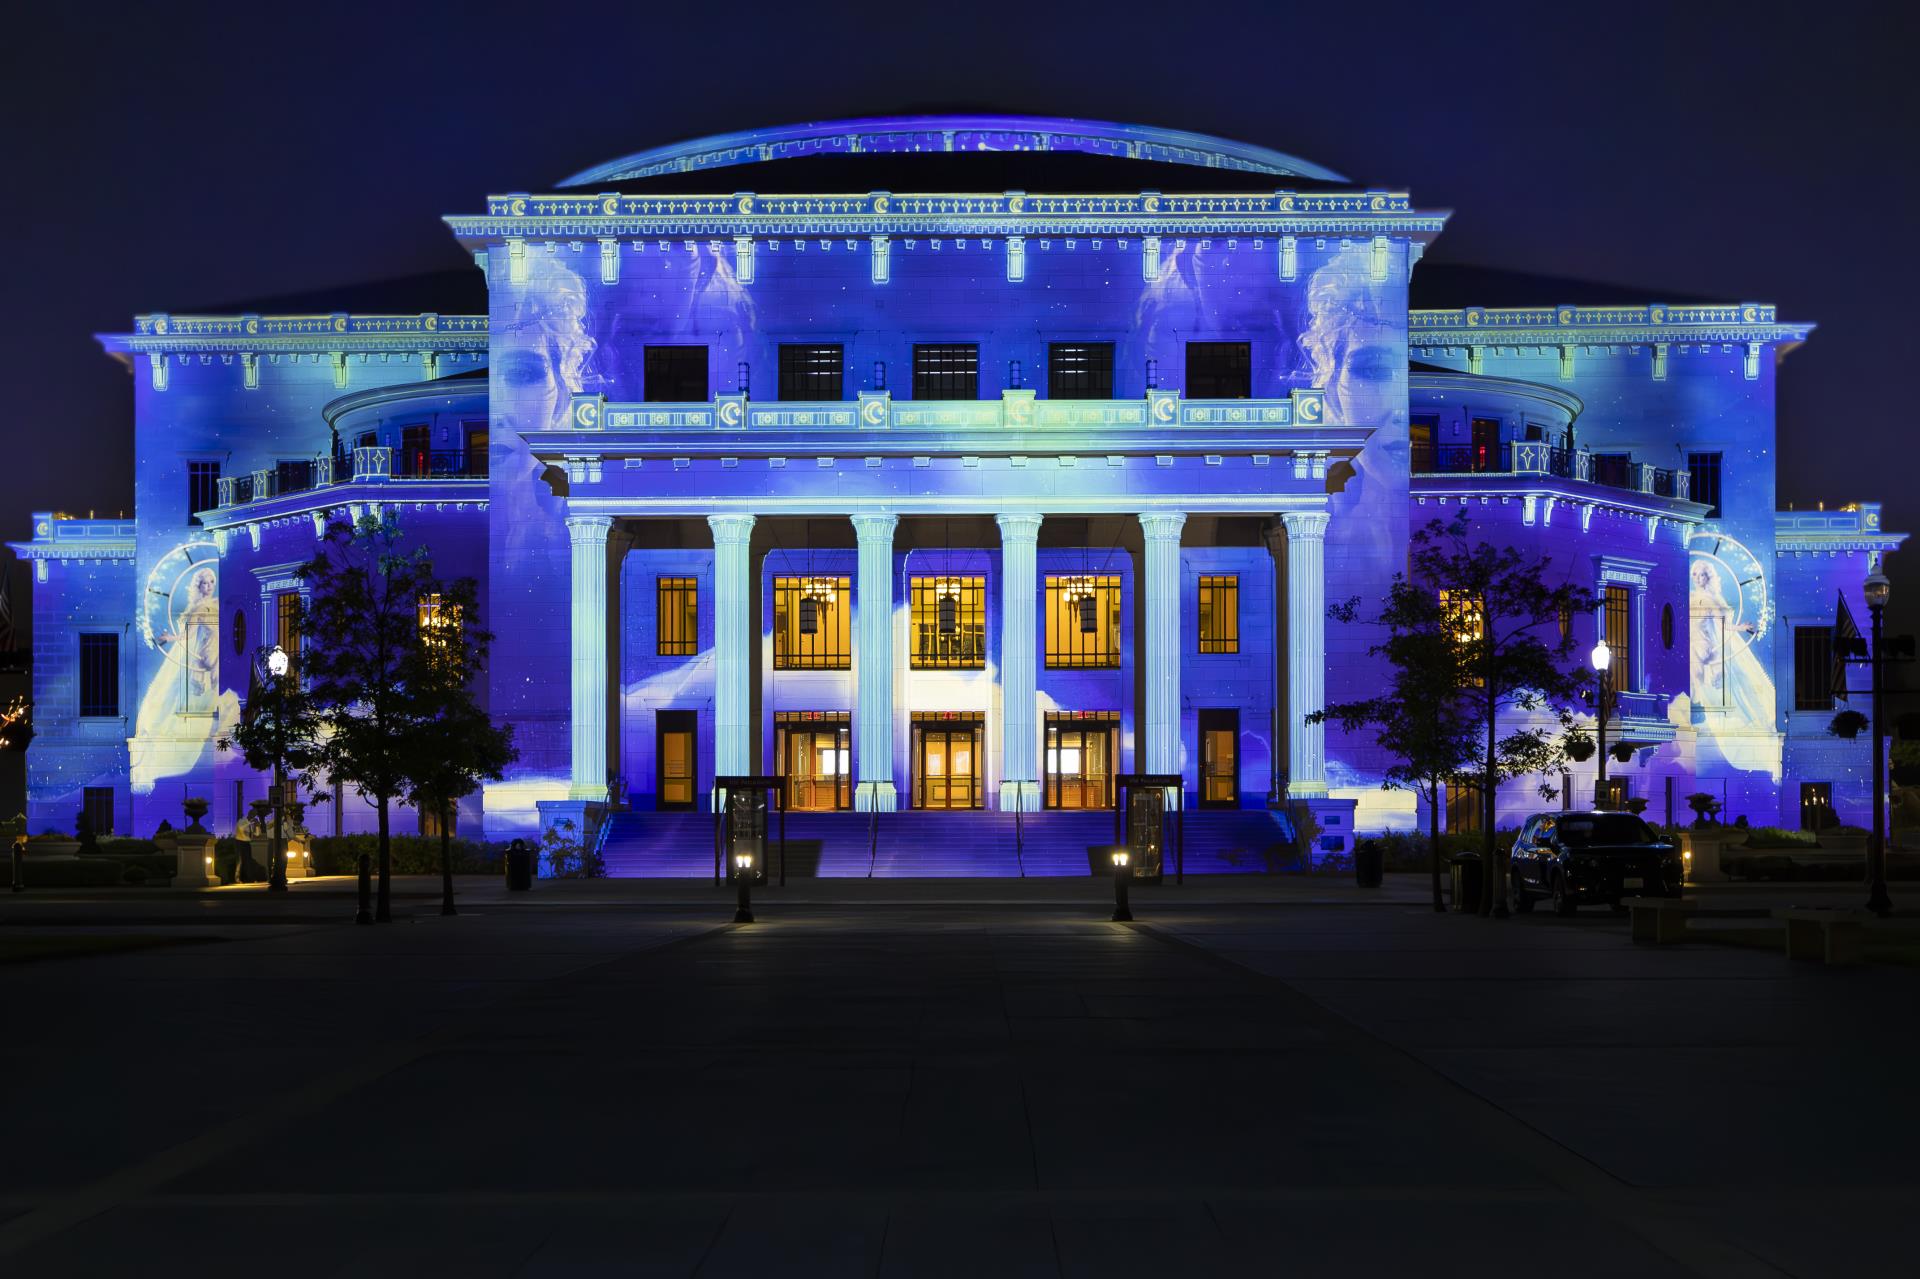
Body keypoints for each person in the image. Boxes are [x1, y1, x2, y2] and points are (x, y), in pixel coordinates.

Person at [1689, 558, 1774, 728]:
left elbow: (1722, 625)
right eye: (1695, 575)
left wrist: (1740, 627)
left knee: (1699, 675)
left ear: (1709, 577)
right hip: (1692, 642)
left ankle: (1699, 708)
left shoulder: (1711, 600)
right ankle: (1695, 707)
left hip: (1704, 644)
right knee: (1695, 676)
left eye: (1702, 575)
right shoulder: (1691, 597)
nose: (1698, 578)